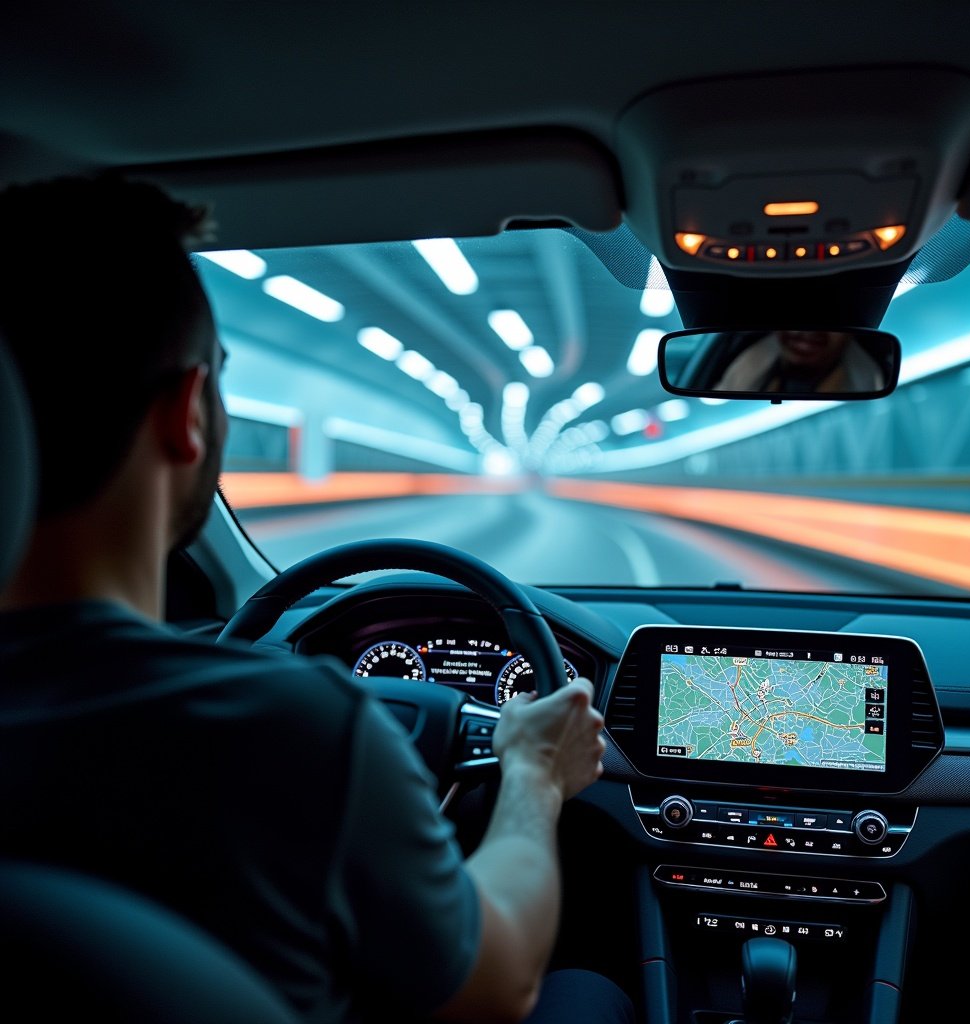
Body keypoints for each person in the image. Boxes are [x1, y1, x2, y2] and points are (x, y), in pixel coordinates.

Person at [0, 176, 634, 1024]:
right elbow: (500, 980)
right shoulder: (294, 728)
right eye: (220, 381)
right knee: (588, 995)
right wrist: (532, 773)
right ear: (189, 412)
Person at [712, 329, 886, 394]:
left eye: (834, 322)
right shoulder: (742, 371)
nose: (806, 333)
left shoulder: (868, 381)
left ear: (851, 335)